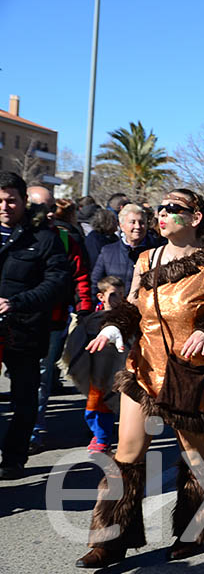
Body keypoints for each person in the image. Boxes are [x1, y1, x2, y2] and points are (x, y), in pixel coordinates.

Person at [75, 188, 204, 568]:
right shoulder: (145, 259)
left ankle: (195, 531)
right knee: (127, 455)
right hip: (144, 368)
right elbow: (132, 308)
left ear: (196, 218)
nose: (163, 214)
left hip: (192, 374)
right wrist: (114, 328)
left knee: (194, 456)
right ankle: (109, 540)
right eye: (161, 208)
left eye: (174, 208)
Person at [0, 172, 69, 480]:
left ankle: (14, 458)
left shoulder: (44, 237)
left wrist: (17, 302)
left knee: (25, 397)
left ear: (23, 200)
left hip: (25, 328)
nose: (5, 206)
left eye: (11, 200)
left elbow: (56, 282)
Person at [25, 188, 93, 453]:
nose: (49, 213)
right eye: (42, 207)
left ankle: (33, 432)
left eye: (51, 207)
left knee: (42, 375)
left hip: (52, 321)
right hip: (12, 319)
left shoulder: (65, 239)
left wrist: (84, 308)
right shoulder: (11, 236)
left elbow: (80, 275)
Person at [80, 275, 128, 454]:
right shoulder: (93, 318)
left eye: (122, 294)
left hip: (117, 369)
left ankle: (103, 439)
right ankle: (98, 435)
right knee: (93, 404)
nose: (119, 299)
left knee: (110, 404)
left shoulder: (124, 317)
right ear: (101, 297)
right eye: (114, 294)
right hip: (96, 370)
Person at [91, 203, 162, 298]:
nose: (137, 226)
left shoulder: (156, 251)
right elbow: (95, 284)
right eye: (132, 222)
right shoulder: (108, 251)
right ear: (122, 225)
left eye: (141, 222)